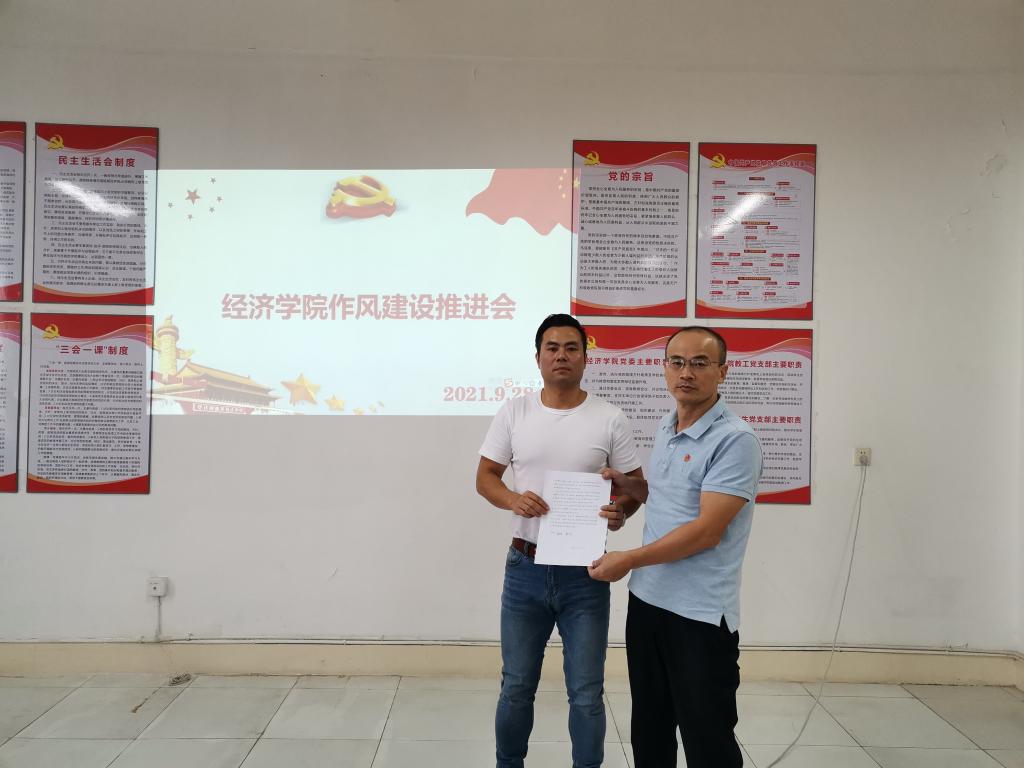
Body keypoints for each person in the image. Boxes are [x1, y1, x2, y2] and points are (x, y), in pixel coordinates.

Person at [589, 326, 763, 768]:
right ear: (665, 368)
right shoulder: (668, 426)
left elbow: (706, 531)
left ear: (723, 372)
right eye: (677, 362)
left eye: (700, 363)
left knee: (707, 737)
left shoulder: (735, 440)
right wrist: (633, 489)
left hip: (699, 616)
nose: (687, 373)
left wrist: (629, 558)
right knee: (650, 728)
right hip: (648, 603)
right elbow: (676, 500)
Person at [477, 313, 645, 768]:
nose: (562, 356)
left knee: (586, 693)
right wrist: (513, 499)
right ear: (538, 358)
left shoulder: (609, 418)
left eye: (572, 348)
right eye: (552, 348)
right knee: (516, 686)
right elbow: (486, 477)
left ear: (586, 358)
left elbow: (636, 488)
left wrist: (620, 511)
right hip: (525, 569)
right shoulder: (515, 412)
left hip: (585, 573)